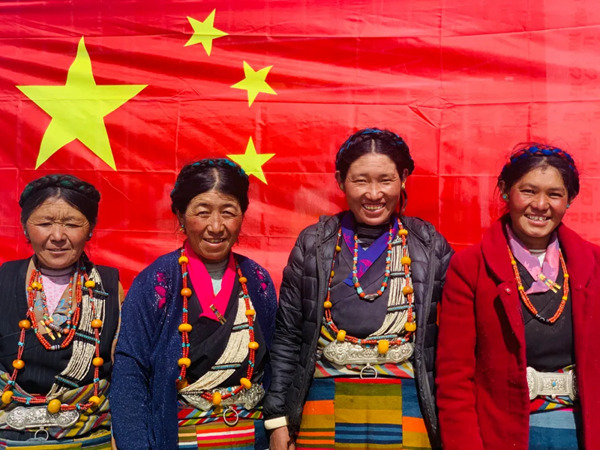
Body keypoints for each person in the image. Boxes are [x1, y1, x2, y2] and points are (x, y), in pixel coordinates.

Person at [264, 128, 453, 449]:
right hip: (322, 406)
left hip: (408, 407)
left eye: (385, 180)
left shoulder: (429, 245)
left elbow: (452, 343)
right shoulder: (314, 244)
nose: (374, 194)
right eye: (361, 180)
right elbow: (288, 336)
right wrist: (277, 418)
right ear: (340, 181)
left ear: (403, 178)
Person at [436, 144, 600, 449]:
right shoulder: (471, 268)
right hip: (504, 434)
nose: (540, 205)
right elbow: (454, 377)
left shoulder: (594, 264)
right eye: (528, 191)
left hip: (581, 432)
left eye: (554, 194)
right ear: (504, 191)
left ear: (570, 199)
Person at [111, 158, 278, 449]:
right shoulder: (157, 282)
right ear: (180, 215)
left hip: (251, 438)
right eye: (202, 212)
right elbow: (130, 372)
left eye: (228, 212)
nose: (216, 226)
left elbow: (275, 364)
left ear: (242, 215)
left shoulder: (257, 279)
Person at [0, 174, 122, 448]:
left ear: (90, 229)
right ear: (25, 227)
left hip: (89, 438)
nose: (57, 236)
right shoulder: (4, 280)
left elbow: (124, 376)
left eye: (72, 224)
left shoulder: (110, 286)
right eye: (44, 224)